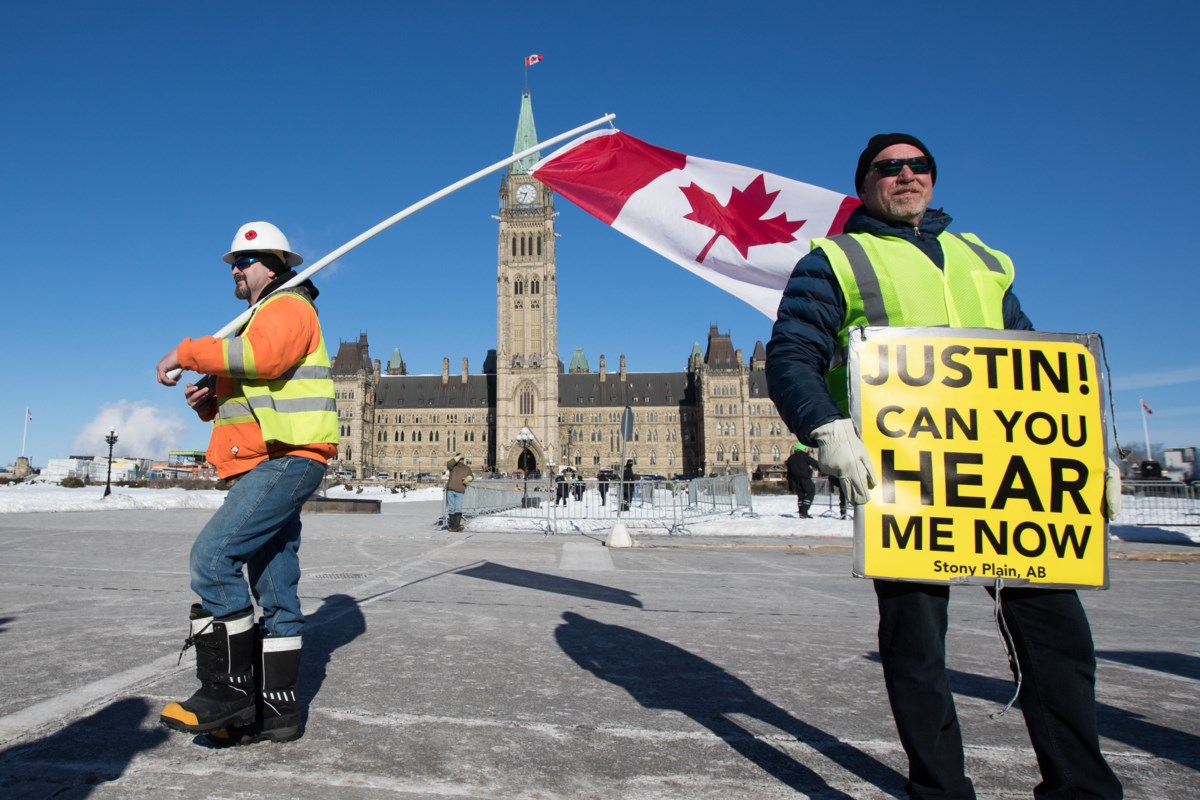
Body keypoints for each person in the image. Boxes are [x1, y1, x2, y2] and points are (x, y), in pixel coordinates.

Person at [766, 134, 1122, 800]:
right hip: (909, 483)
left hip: (1015, 481)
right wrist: (827, 428)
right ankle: (940, 791)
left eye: (918, 166)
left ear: (932, 178)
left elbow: (1039, 364)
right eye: (888, 168)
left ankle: (1083, 790)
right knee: (919, 649)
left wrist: (1092, 449)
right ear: (865, 183)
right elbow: (791, 357)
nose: (905, 176)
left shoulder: (982, 258)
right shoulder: (838, 258)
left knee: (1058, 644)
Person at [155, 221, 338, 746]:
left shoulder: (286, 307)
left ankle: (228, 691)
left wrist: (186, 351)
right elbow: (258, 393)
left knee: (212, 560)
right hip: (268, 457)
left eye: (244, 261)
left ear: (275, 265)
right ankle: (274, 711)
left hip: (285, 459)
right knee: (276, 587)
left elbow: (266, 358)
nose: (234, 269)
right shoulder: (256, 318)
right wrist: (212, 402)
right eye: (232, 262)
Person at [785, 442, 819, 518]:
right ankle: (804, 511)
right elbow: (815, 464)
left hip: (795, 479)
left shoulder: (790, 458)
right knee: (811, 492)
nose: (807, 450)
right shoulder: (804, 456)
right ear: (803, 449)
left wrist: (790, 483)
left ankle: (802, 512)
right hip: (805, 478)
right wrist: (823, 468)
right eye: (806, 448)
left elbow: (789, 472)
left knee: (801, 495)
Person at [445, 453, 472, 531]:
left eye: (463, 459)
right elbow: (449, 463)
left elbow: (471, 476)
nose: (462, 460)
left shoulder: (467, 468)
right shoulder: (453, 466)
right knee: (451, 509)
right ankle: (453, 526)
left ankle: (455, 526)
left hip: (460, 491)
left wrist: (468, 478)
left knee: (458, 508)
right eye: (460, 459)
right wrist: (459, 456)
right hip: (451, 490)